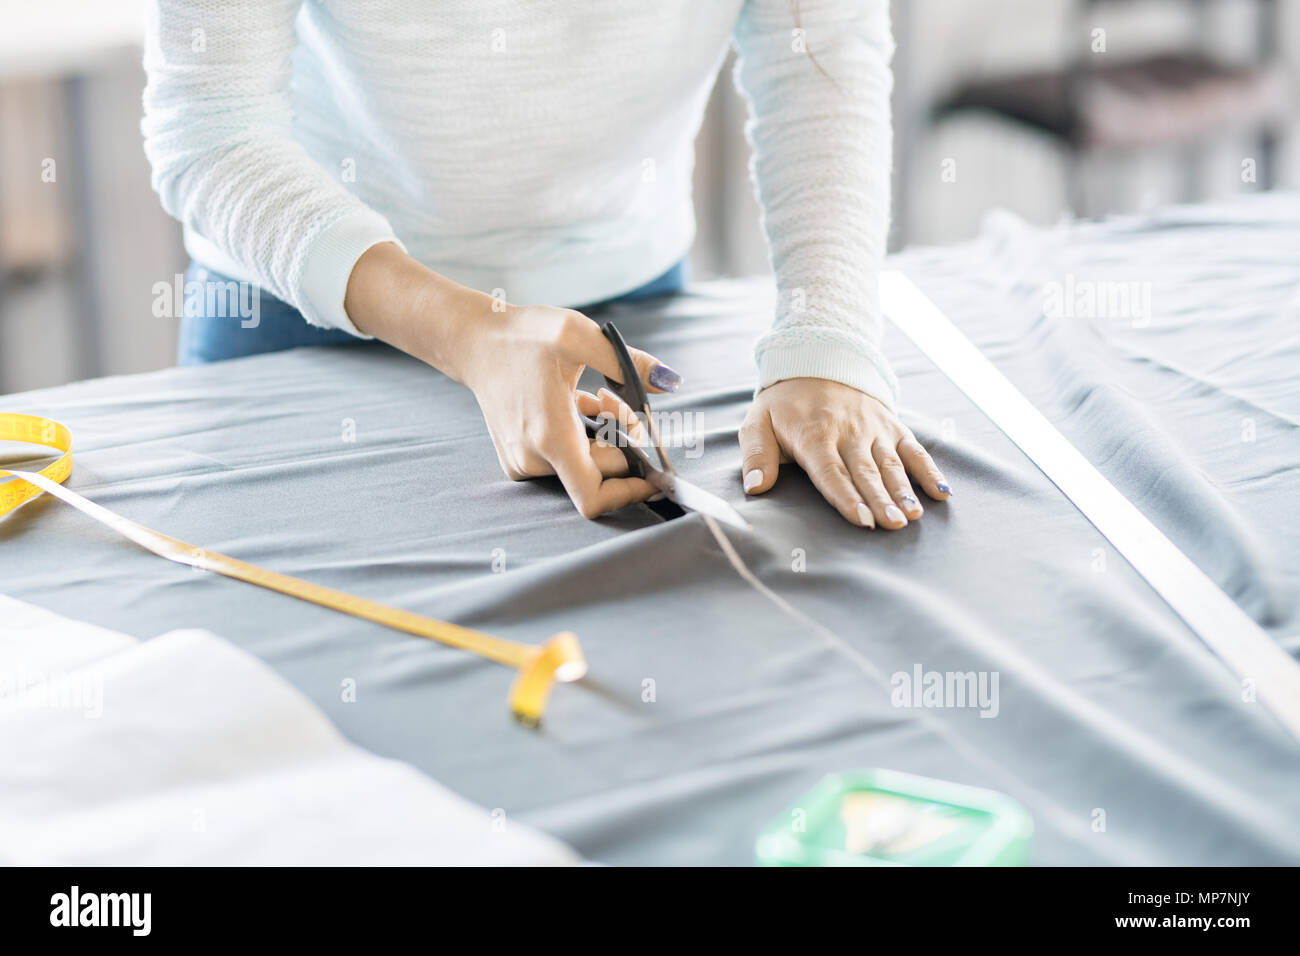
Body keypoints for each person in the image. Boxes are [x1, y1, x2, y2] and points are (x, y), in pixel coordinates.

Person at [142, 0, 951, 528]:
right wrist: (472, 334)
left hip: (619, 312)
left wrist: (828, 339)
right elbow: (212, 128)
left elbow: (820, 56)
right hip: (303, 306)